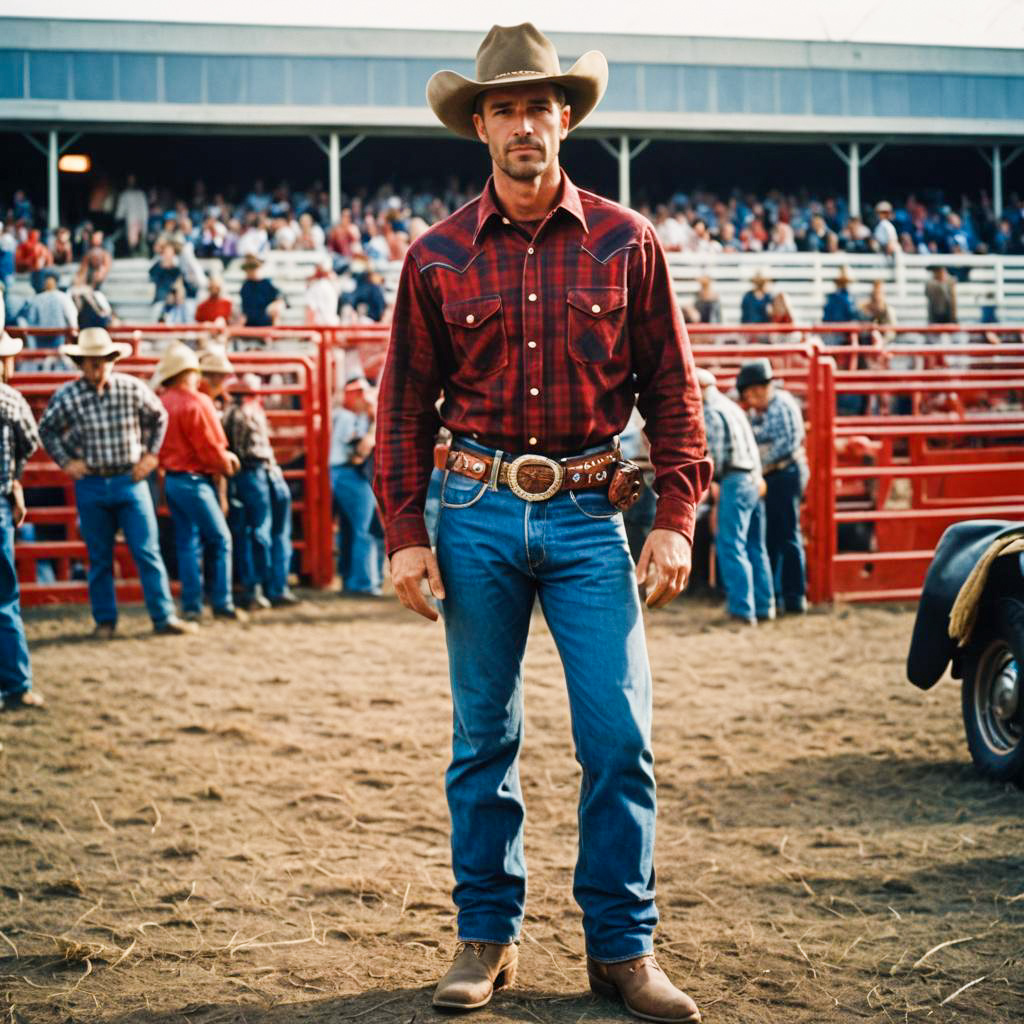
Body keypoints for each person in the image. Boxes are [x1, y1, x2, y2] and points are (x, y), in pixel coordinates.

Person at [374, 23, 709, 1022]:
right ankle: (487, 934)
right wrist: (403, 529)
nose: (525, 124)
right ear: (480, 125)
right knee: (483, 737)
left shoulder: (625, 239)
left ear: (566, 117)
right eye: (505, 108)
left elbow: (673, 392)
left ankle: (621, 948)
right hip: (472, 508)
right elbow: (401, 407)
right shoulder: (433, 256)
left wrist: (675, 514)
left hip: (586, 514)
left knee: (618, 737)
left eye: (539, 106)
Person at [37, 328, 196, 638]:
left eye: (103, 361)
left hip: (128, 478)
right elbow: (47, 430)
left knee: (146, 551)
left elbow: (159, 416)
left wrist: (151, 456)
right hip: (96, 481)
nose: (97, 367)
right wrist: (68, 462)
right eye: (91, 362)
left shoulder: (130, 388)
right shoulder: (68, 396)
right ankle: (106, 620)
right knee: (100, 557)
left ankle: (161, 616)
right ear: (81, 364)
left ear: (111, 360)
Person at [152, 342, 245, 622]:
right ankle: (222, 602)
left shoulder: (161, 402)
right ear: (187, 374)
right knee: (220, 539)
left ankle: (192, 604)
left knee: (187, 541)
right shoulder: (197, 402)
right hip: (196, 481)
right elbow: (210, 448)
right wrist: (226, 464)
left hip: (172, 480)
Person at [698, 368, 773, 625]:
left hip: (735, 479)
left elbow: (715, 457)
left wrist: (707, 481)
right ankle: (764, 605)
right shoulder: (732, 408)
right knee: (755, 544)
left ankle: (742, 609)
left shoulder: (711, 412)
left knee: (729, 543)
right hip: (753, 477)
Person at [736, 358, 808, 615]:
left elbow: (784, 445)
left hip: (784, 473)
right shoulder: (770, 409)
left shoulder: (780, 407)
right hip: (778, 473)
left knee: (787, 534)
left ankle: (793, 595)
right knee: (781, 535)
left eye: (751, 394)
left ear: (759, 390)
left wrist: (755, 461)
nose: (751, 400)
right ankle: (786, 595)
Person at [222, 373, 299, 608]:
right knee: (267, 531)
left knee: (257, 530)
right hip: (260, 470)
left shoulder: (231, 413)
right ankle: (273, 587)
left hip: (254, 472)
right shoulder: (246, 412)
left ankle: (259, 588)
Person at [0, 330, 44, 710]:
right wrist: (13, 476)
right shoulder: (10, 400)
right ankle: (16, 683)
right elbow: (29, 440)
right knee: (3, 597)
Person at [330, 377, 383, 597]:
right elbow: (359, 452)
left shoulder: (346, 416)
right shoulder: (346, 417)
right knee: (365, 529)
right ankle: (363, 582)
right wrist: (373, 426)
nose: (364, 397)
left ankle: (352, 579)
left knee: (353, 528)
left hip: (344, 474)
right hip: (350, 473)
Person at [239, 255, 284, 328]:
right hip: (250, 321)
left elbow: (280, 298)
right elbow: (244, 309)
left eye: (252, 268)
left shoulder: (268, 283)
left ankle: (274, 334)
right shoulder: (246, 286)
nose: (250, 271)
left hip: (266, 320)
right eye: (248, 268)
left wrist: (275, 305)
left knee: (276, 310)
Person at [115, 174, 149, 255]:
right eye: (130, 179)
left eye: (133, 179)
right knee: (131, 240)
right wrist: (117, 218)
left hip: (141, 222)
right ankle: (132, 252)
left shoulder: (141, 194)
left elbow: (145, 210)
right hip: (130, 222)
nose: (131, 181)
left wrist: (144, 222)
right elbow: (120, 213)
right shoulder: (125, 195)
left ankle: (142, 252)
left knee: (142, 240)